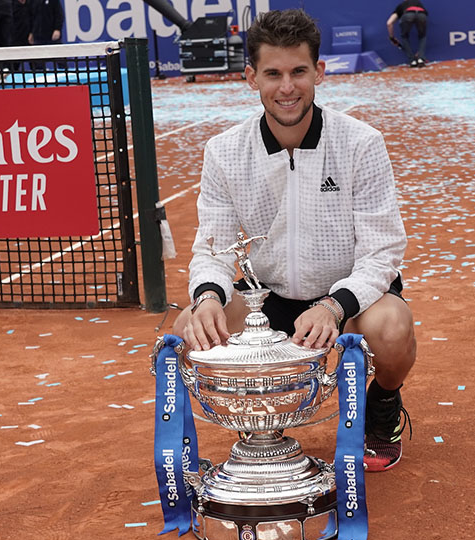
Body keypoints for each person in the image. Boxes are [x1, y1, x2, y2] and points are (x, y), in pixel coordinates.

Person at [173, 9, 417, 472]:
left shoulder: (361, 143)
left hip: (350, 299)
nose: (287, 87)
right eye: (273, 74)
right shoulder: (224, 152)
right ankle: (262, 424)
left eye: (298, 71)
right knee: (191, 329)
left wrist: (335, 305)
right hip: (269, 299)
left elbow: (382, 250)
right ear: (251, 77)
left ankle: (382, 404)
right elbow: (212, 248)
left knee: (392, 329)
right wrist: (207, 296)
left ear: (319, 72)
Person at [388, 1, 428, 67]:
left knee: (404, 37)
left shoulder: (401, 6)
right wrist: (420, 52)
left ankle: (412, 61)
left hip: (407, 14)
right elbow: (423, 15)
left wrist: (392, 38)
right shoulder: (419, 3)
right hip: (422, 14)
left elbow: (389, 23)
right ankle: (421, 58)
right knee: (422, 36)